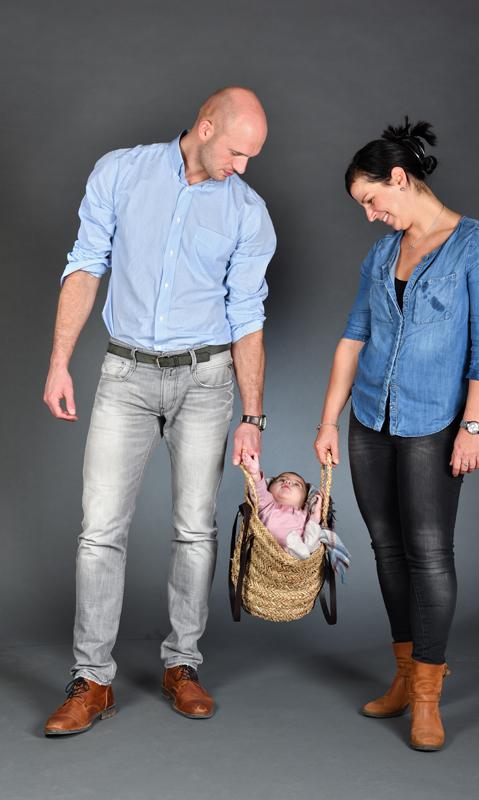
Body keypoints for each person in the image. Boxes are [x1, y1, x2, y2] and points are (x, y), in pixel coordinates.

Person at [42, 87, 276, 736]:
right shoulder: (121, 172)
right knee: (99, 532)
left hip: (206, 381)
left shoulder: (248, 212)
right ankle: (92, 680)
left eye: (251, 158)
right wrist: (59, 363)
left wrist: (252, 417)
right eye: (237, 152)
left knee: (195, 531)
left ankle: (182, 665)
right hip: (125, 376)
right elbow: (86, 264)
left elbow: (247, 316)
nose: (242, 167)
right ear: (206, 126)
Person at [314, 117, 479, 751]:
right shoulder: (382, 254)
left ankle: (427, 694)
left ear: (399, 178)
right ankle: (403, 676)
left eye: (372, 200)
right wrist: (328, 421)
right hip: (370, 420)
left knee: (429, 552)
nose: (370, 215)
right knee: (386, 548)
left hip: (434, 423)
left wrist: (473, 426)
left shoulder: (477, 246)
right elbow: (353, 338)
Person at [241, 452, 324, 558]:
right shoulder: (267, 505)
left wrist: (316, 512)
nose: (288, 482)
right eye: (282, 480)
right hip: (274, 549)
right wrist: (255, 474)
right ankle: (298, 551)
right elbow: (258, 490)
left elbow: (314, 522)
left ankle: (304, 551)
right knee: (296, 542)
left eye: (296, 484)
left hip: (302, 544)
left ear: (304, 500)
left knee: (313, 532)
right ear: (269, 488)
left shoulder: (304, 513)